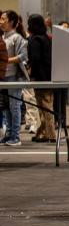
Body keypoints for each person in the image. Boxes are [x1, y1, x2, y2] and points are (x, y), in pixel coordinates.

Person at [26, 14, 55, 143]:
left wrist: (30, 69)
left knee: (44, 106)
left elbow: (35, 59)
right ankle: (43, 132)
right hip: (49, 75)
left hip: (40, 77)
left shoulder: (35, 39)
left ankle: (50, 134)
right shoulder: (46, 38)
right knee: (46, 105)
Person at [0, 10, 28, 146]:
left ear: (11, 22)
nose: (0, 21)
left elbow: (23, 56)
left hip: (14, 77)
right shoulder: (2, 37)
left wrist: (4, 60)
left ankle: (16, 137)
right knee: (5, 106)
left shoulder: (17, 38)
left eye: (3, 19)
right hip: (2, 76)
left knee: (14, 106)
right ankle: (8, 134)